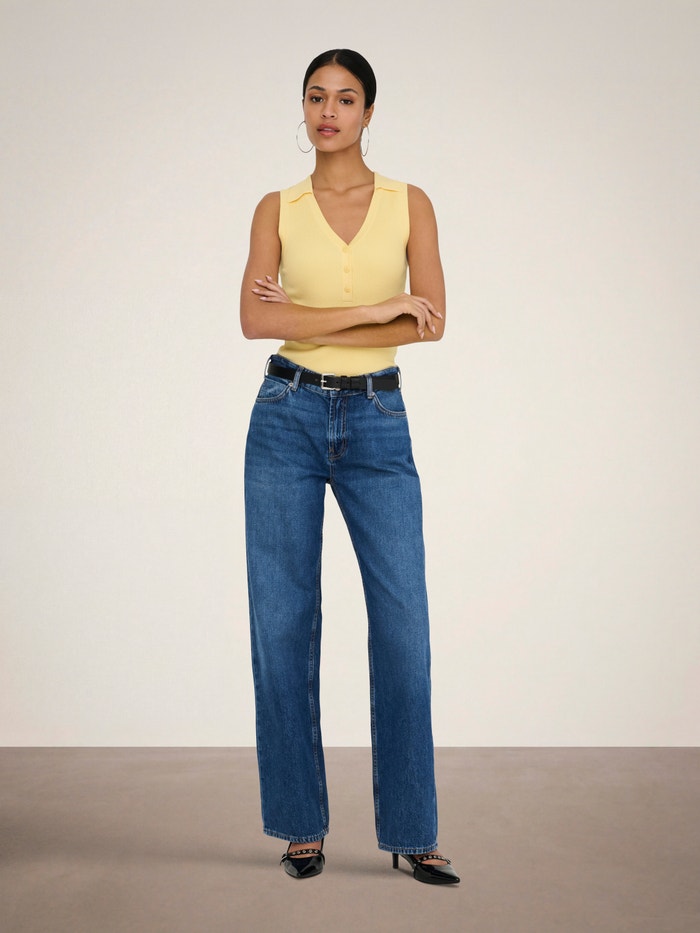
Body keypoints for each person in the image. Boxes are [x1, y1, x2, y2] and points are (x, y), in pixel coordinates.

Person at [240, 49, 459, 886]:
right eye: (316, 96)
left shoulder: (410, 203)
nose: (328, 111)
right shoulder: (276, 208)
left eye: (346, 98)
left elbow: (430, 322)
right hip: (284, 417)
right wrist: (376, 306)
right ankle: (300, 825)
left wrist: (309, 315)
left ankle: (412, 828)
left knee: (403, 628)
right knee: (282, 625)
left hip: (376, 421)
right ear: (303, 109)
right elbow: (253, 320)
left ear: (369, 112)